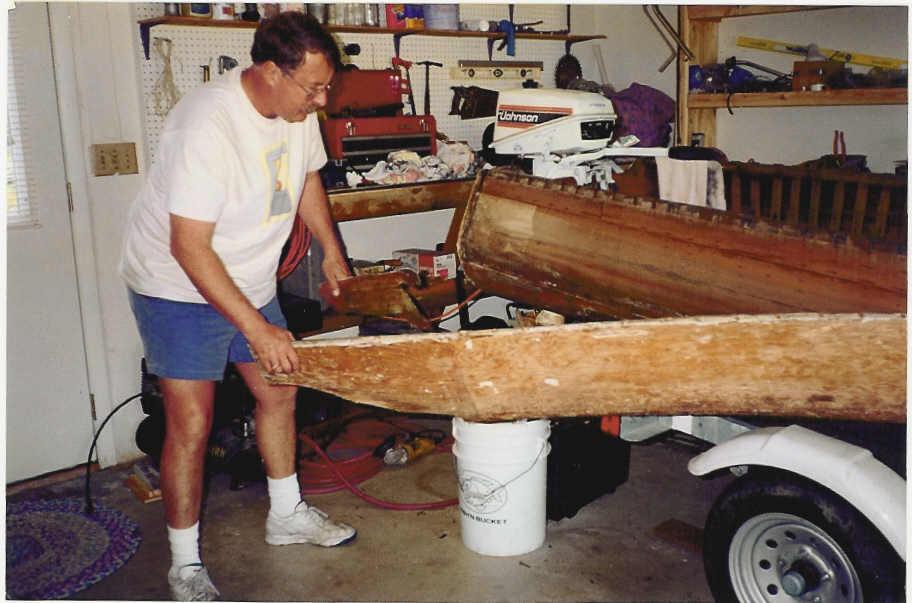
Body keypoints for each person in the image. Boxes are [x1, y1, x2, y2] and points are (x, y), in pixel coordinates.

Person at [120, 12, 355, 601]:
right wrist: (257, 328)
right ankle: (184, 564)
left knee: (279, 392)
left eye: (327, 87)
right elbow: (188, 247)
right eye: (313, 89)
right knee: (192, 424)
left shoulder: (297, 111)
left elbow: (305, 178)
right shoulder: (205, 125)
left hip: (248, 279)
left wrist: (331, 249)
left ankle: (286, 515)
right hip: (176, 285)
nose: (322, 101)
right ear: (270, 72)